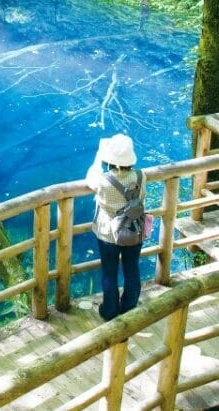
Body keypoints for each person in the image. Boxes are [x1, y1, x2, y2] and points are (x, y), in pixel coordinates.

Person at [86, 133, 146, 321]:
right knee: (132, 267)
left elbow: (90, 176)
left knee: (109, 271)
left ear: (109, 159)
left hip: (108, 234)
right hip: (134, 229)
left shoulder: (103, 180)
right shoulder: (140, 175)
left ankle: (110, 310)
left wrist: (99, 153)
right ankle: (129, 306)